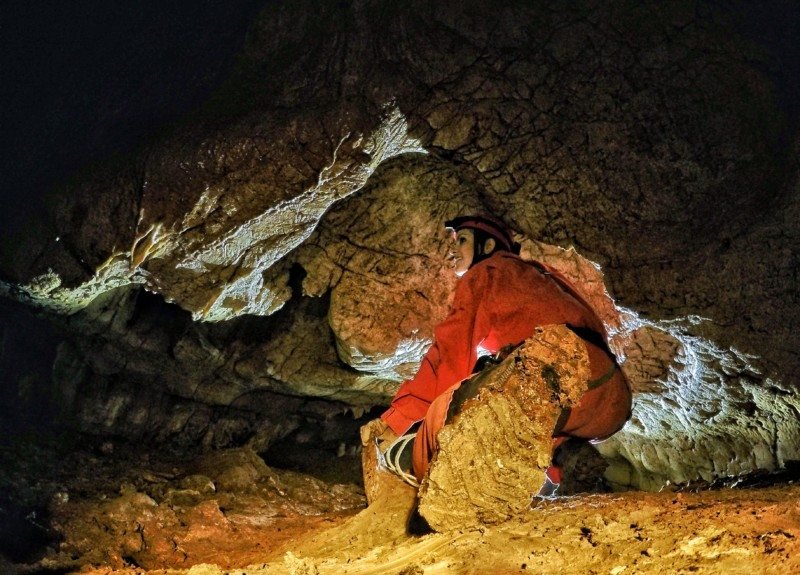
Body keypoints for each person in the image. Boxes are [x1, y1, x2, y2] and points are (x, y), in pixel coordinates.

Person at [363, 214, 632, 490]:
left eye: (462, 240)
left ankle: (439, 491)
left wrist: (395, 421)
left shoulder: (488, 272)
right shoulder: (543, 275)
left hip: (562, 379)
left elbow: (448, 356)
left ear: (488, 246)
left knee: (470, 392)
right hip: (612, 400)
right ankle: (569, 460)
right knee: (516, 381)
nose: (452, 249)